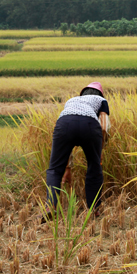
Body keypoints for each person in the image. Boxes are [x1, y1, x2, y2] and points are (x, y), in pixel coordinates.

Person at [43, 82, 110, 220]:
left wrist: (67, 168)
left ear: (83, 94)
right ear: (100, 94)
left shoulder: (72, 100)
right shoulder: (102, 101)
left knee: (55, 169)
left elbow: (68, 139)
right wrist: (100, 149)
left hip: (65, 124)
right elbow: (104, 126)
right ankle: (94, 209)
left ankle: (51, 206)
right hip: (90, 126)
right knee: (94, 167)